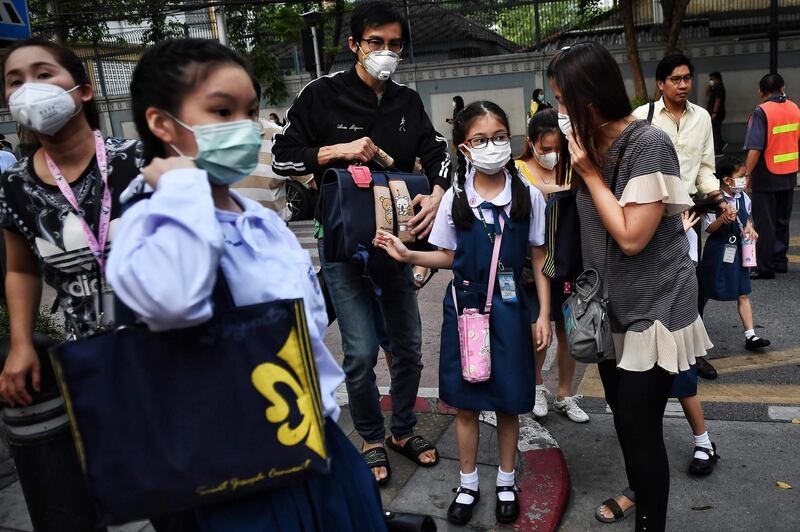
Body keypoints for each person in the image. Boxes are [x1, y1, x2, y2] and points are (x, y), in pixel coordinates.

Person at [107, 37, 386, 531]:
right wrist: (179, 183)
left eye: (250, 110)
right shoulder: (148, 223)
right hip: (231, 476)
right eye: (221, 110)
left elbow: (308, 328)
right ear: (161, 124)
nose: (245, 126)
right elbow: (177, 302)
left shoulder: (261, 224)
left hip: (311, 446)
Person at [272, 0, 450, 484]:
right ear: (355, 44)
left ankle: (402, 429)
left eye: (395, 45)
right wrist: (336, 150)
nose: (386, 53)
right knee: (360, 350)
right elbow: (282, 158)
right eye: (376, 43)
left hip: (397, 245)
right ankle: (371, 437)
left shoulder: (407, 102)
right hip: (343, 246)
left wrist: (436, 193)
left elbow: (439, 155)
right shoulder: (321, 95)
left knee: (409, 347)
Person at [550, 42, 712, 532]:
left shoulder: (647, 145)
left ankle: (650, 521)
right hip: (609, 309)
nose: (556, 112)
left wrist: (588, 174)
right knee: (623, 419)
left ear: (590, 102)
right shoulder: (587, 144)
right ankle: (638, 489)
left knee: (641, 430)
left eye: (562, 101)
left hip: (655, 308)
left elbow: (631, 235)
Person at [376, 100, 551, 526]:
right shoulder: (455, 199)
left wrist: (543, 313)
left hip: (512, 312)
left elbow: (541, 257)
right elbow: (447, 256)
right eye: (480, 140)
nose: (491, 146)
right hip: (466, 311)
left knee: (510, 405)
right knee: (467, 406)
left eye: (498, 137)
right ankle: (468, 482)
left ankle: (506, 481)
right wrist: (405, 254)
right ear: (463, 147)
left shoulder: (528, 196)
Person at [0, 38, 142, 530]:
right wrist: (21, 343)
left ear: (82, 91)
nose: (28, 89)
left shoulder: (141, 159)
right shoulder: (14, 186)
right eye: (15, 81)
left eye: (43, 74)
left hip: (166, 347)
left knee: (188, 491)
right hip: (89, 358)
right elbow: (20, 268)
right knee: (117, 491)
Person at [633, 53, 722, 380]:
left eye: (687, 78)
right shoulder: (643, 116)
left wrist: (717, 197)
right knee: (650, 282)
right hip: (648, 216)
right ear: (661, 84)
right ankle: (650, 347)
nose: (684, 84)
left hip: (687, 216)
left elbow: (705, 169)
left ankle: (691, 353)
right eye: (676, 79)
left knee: (690, 285)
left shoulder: (702, 118)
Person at [515, 109, 589, 423]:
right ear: (530, 144)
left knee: (568, 333)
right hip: (532, 267)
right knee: (538, 331)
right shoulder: (517, 170)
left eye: (557, 148)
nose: (551, 155)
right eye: (545, 149)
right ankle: (536, 387)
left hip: (568, 263)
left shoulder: (573, 169)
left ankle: (564, 394)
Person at [702, 156, 771, 351]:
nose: (745, 180)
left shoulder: (744, 198)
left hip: (738, 250)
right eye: (741, 176)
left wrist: (750, 228)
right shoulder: (713, 200)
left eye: (746, 176)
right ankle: (694, 328)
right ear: (726, 180)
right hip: (717, 251)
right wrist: (722, 219)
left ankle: (751, 335)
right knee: (705, 290)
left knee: (743, 291)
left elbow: (747, 219)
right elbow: (709, 229)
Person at [743, 73, 800, 280]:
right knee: (782, 219)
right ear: (782, 88)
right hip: (789, 172)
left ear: (761, 92)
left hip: (766, 173)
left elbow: (756, 147)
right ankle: (780, 261)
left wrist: (746, 173)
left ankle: (765, 267)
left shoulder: (762, 111)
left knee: (764, 221)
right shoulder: (794, 108)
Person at [706, 72, 727, 153]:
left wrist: (714, 112)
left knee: (716, 131)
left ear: (717, 79)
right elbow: (707, 93)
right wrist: (710, 85)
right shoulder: (715, 87)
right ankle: (721, 145)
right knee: (715, 130)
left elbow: (718, 100)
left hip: (717, 114)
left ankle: (719, 148)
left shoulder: (719, 87)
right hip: (715, 113)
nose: (711, 81)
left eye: (712, 79)